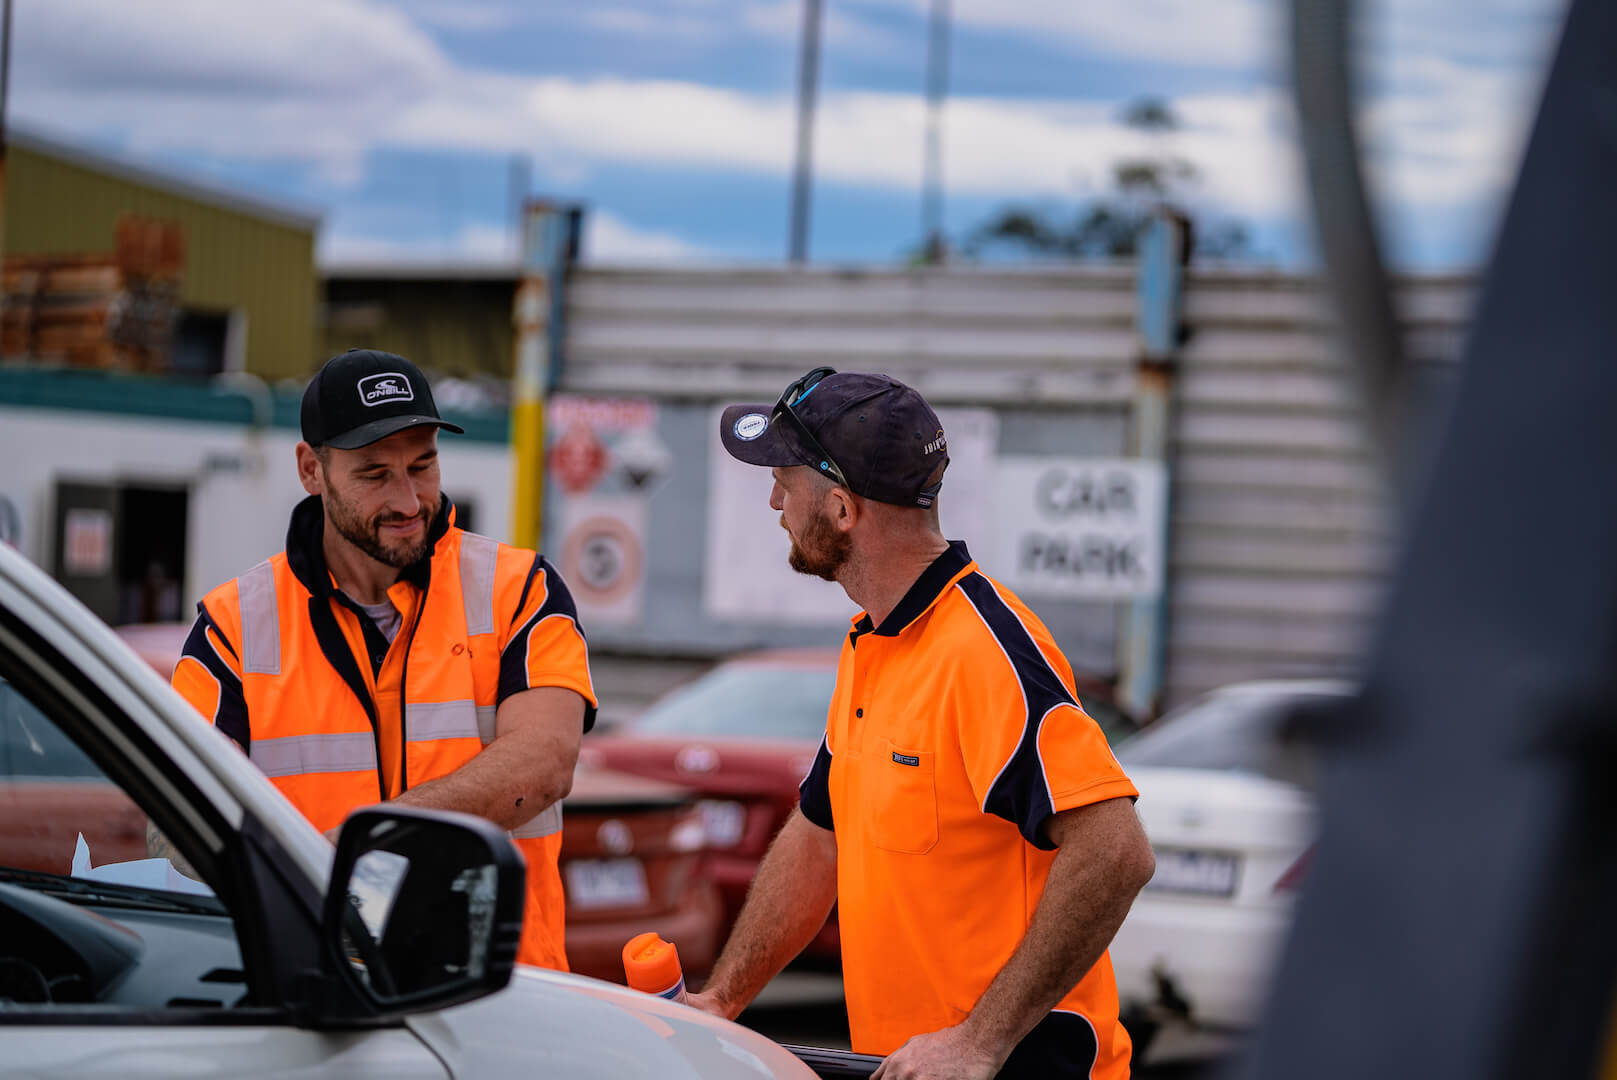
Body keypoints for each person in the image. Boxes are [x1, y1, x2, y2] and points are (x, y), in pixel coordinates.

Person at [689, 367, 1155, 1079]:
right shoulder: (871, 642)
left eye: (786, 480)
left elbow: (1115, 852)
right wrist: (722, 1000)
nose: (775, 499)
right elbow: (819, 841)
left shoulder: (984, 652)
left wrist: (978, 1041)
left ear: (841, 509)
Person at [167, 349, 596, 971]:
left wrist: (361, 846)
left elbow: (544, 764)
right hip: (318, 1007)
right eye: (374, 474)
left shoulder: (518, 588)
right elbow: (186, 817)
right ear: (311, 469)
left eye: (423, 466)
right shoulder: (236, 625)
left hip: (503, 1008)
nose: (408, 500)